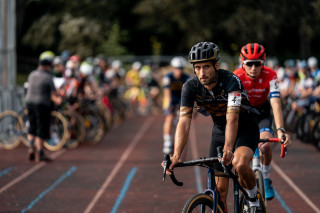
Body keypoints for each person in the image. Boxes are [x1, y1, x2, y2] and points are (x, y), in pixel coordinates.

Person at [163, 42, 262, 210]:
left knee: (239, 163)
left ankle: (253, 198)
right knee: (220, 192)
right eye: (198, 67)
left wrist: (229, 148)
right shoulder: (189, 87)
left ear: (216, 65)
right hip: (220, 131)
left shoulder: (231, 81)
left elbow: (232, 118)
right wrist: (176, 155)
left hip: (245, 127)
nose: (202, 72)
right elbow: (184, 121)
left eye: (206, 67)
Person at [234, 43, 292, 200]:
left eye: (257, 63)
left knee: (265, 146)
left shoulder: (271, 75)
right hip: (243, 116)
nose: (253, 68)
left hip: (262, 113)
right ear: (242, 63)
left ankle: (265, 178)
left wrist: (280, 129)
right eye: (249, 64)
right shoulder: (236, 76)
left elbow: (275, 103)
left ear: (263, 63)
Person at [25, 51, 62, 163]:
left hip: (29, 102)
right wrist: (59, 99)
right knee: (41, 129)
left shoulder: (32, 74)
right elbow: (53, 94)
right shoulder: (47, 77)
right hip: (42, 104)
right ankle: (40, 153)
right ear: (47, 66)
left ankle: (31, 147)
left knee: (32, 126)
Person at [162, 56, 190, 154]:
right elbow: (167, 91)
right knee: (169, 117)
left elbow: (189, 93)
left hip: (181, 99)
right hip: (171, 98)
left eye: (181, 68)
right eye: (177, 68)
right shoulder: (168, 77)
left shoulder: (186, 78)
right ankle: (167, 142)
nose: (179, 71)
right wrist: (170, 104)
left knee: (183, 120)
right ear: (173, 68)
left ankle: (179, 141)